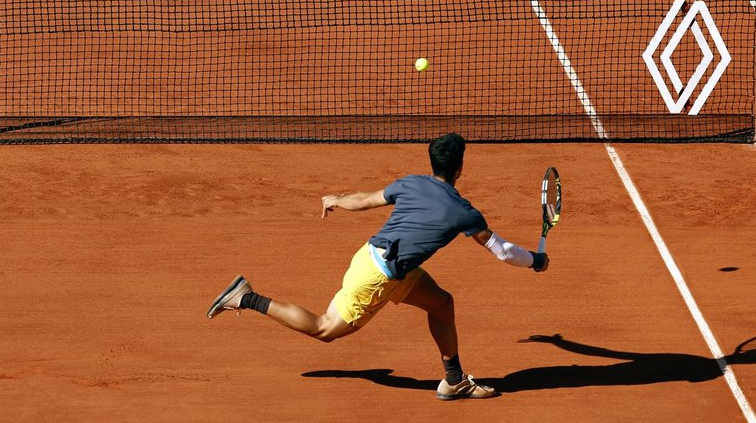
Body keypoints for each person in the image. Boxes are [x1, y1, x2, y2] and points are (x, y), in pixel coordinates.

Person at [206, 132, 551, 401]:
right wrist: (536, 261)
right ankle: (247, 298)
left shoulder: (412, 183)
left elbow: (364, 200)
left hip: (378, 259)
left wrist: (337, 200)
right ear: (460, 168)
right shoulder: (464, 212)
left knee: (442, 304)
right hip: (375, 279)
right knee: (324, 329)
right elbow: (503, 251)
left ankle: (454, 380)